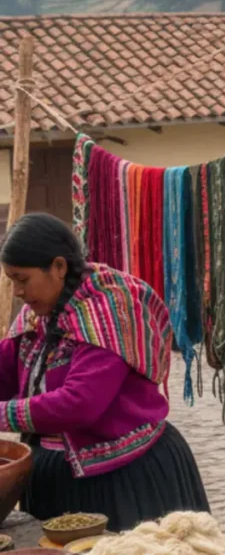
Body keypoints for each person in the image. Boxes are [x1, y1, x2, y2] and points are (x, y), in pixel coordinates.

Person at [0, 213, 210, 531]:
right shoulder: (41, 314)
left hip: (124, 481)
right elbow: (8, 365)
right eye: (11, 280)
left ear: (58, 267)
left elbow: (80, 403)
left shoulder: (108, 312)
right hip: (60, 478)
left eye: (23, 279)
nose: (16, 291)